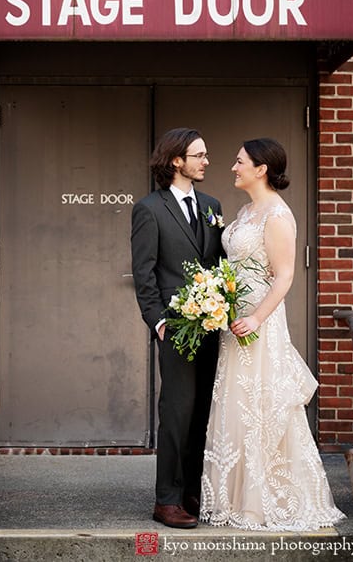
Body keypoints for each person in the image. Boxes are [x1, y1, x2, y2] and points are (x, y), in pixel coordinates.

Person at [200, 137, 345, 531]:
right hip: (234, 319)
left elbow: (284, 276)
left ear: (261, 169)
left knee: (262, 405)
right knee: (236, 401)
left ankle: (263, 502)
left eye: (239, 160)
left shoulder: (278, 215)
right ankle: (233, 498)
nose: (233, 166)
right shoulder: (246, 210)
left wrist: (257, 319)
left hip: (259, 323)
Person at [131, 127, 225, 529]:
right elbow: (144, 272)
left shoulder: (211, 204)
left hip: (213, 324)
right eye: (199, 155)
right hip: (176, 328)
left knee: (204, 411)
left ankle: (192, 492)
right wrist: (158, 322)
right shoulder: (149, 209)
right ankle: (166, 499)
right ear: (176, 161)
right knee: (176, 412)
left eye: (206, 155)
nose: (206, 161)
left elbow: (218, 263)